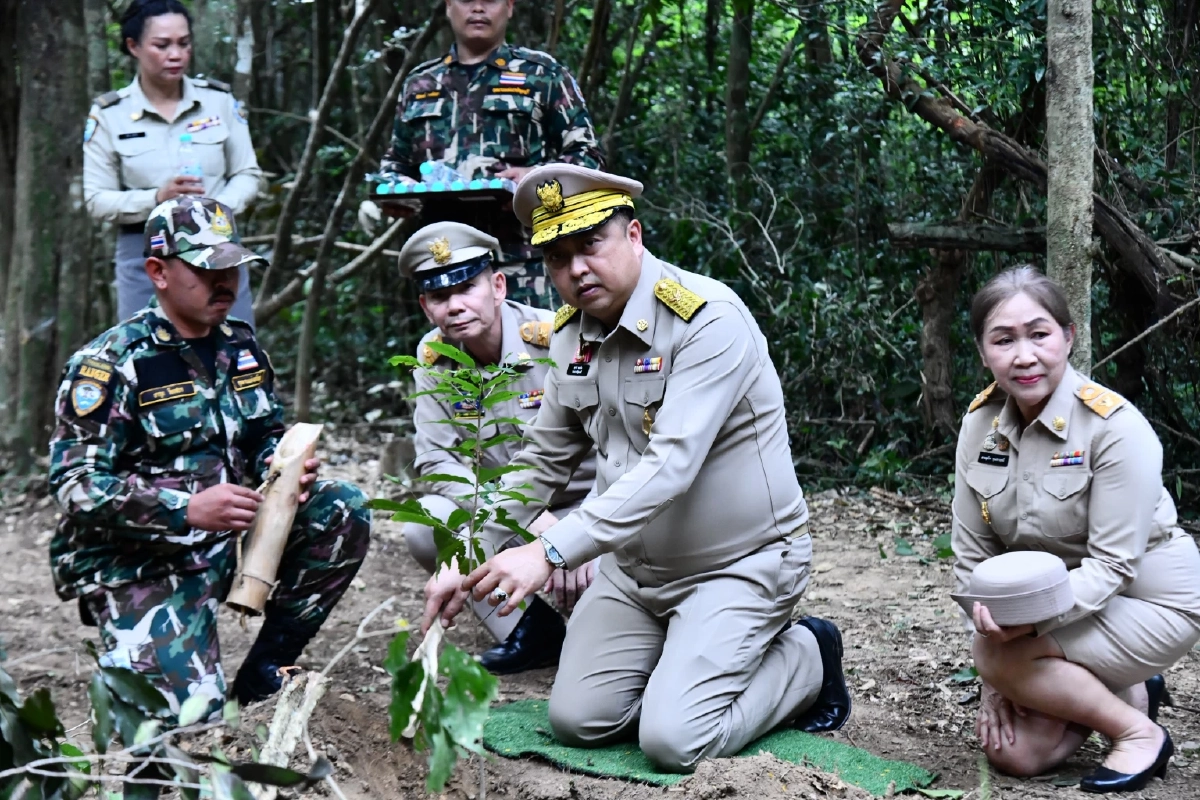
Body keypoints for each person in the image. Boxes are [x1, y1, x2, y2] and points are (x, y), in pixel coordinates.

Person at [420, 165, 850, 772]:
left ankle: (808, 654)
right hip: (636, 574)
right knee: (578, 722)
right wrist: (460, 555)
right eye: (556, 256)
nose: (575, 269)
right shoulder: (569, 338)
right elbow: (539, 462)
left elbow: (669, 467)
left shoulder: (708, 321)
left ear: (635, 235)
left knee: (673, 742)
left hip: (738, 564)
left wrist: (547, 553)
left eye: (590, 244)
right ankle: (687, 660)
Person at [48, 197, 371, 720]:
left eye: (232, 268)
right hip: (141, 561)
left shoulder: (240, 349)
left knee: (341, 508)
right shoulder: (109, 364)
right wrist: (186, 508)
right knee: (188, 724)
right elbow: (75, 484)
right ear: (157, 271)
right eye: (206, 268)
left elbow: (262, 434)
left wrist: (285, 465)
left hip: (231, 538)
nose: (225, 282)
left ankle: (264, 670)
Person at [952, 267, 1200, 793]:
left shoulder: (1114, 427)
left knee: (996, 656)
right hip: (1060, 610)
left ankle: (1138, 734)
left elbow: (1113, 566)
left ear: (1068, 336)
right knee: (1015, 755)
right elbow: (972, 561)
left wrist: (1006, 651)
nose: (1024, 355)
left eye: (1039, 334)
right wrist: (997, 673)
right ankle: (1130, 689)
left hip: (1152, 601)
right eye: (1003, 340)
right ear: (982, 351)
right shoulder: (979, 425)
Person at [396, 221, 599, 674]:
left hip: (586, 507)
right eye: (440, 296)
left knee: (598, 640)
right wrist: (521, 516)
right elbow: (436, 460)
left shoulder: (558, 338)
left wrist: (572, 535)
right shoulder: (433, 360)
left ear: (498, 286)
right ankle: (527, 630)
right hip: (508, 513)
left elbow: (617, 446)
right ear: (426, 306)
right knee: (426, 524)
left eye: (467, 287)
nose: (456, 305)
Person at [377, 0, 603, 309]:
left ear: (509, 7)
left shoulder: (543, 75)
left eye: (490, 0)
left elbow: (589, 157)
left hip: (528, 264)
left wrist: (535, 178)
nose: (478, 8)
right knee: (454, 358)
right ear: (447, 6)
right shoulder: (420, 84)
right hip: (446, 267)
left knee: (538, 352)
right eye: (467, 0)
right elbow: (395, 165)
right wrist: (395, 190)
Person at [84, 0, 263, 325]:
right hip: (146, 255)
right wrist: (157, 199)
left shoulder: (218, 101)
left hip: (219, 248)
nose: (176, 54)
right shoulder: (110, 114)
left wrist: (212, 208)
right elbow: (97, 199)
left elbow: (247, 174)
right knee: (150, 364)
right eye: (162, 45)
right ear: (133, 46)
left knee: (235, 360)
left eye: (184, 43)